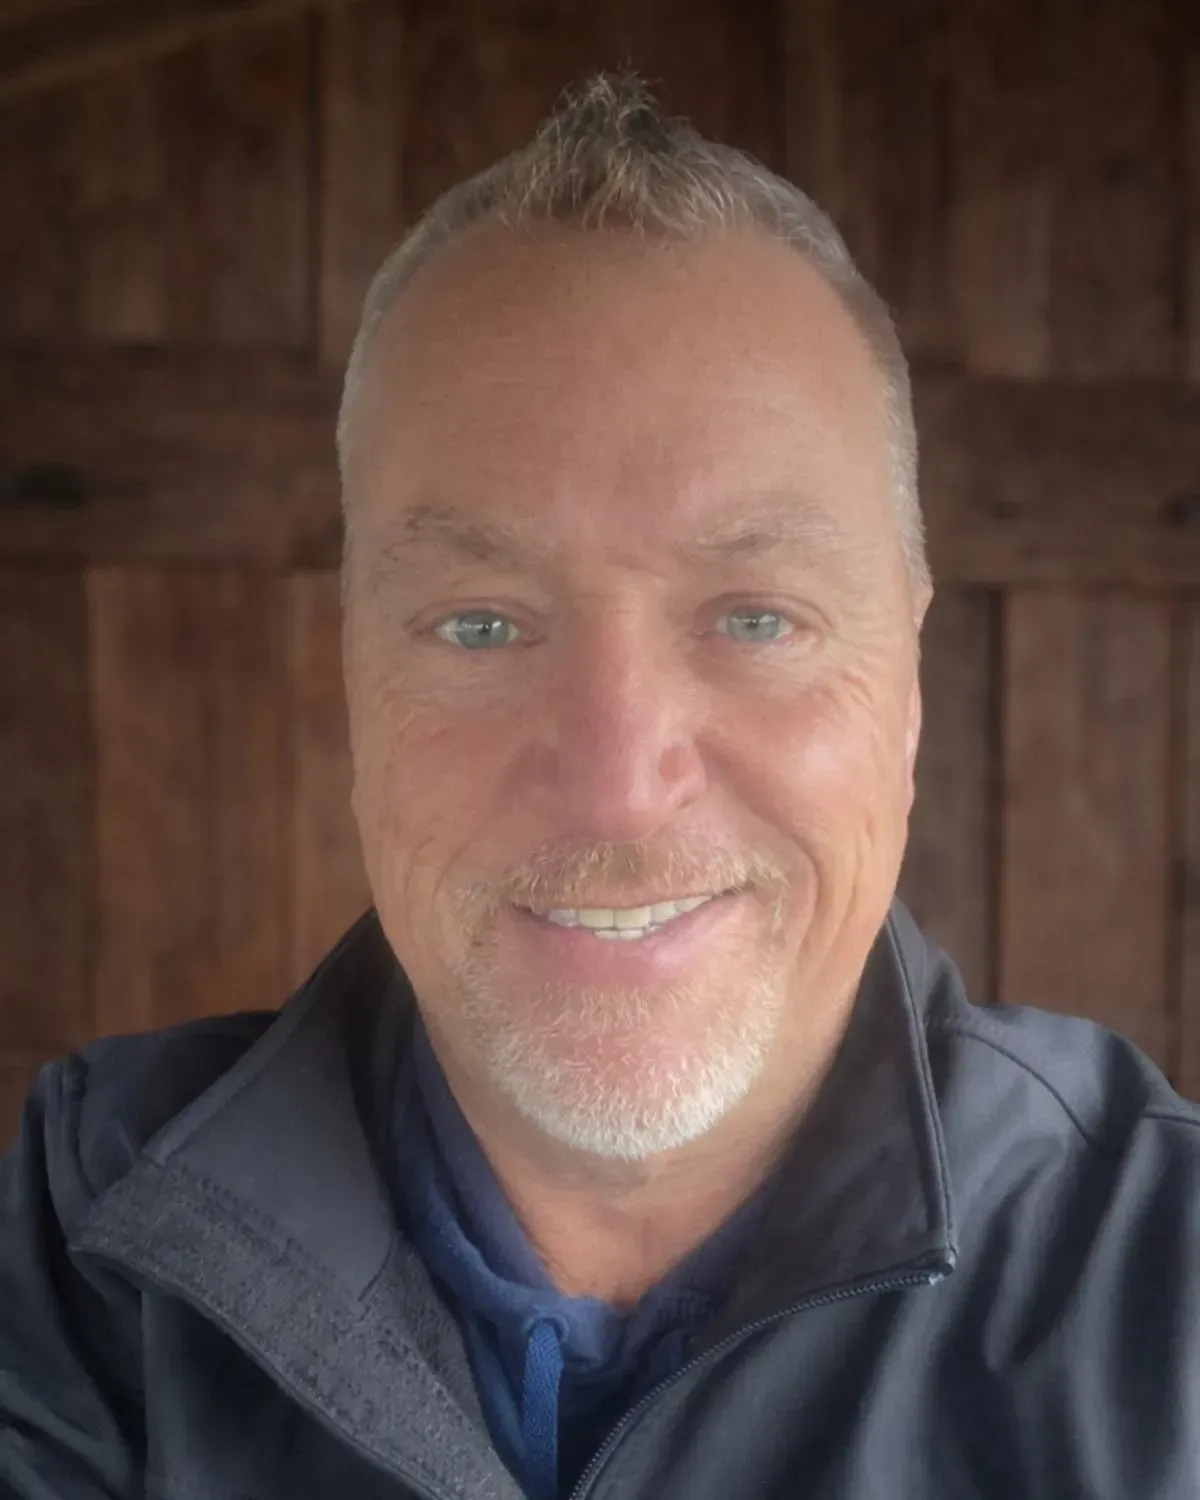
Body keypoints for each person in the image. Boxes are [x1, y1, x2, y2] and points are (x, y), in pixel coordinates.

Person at [2, 71, 1198, 1500]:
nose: (622, 789)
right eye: (481, 625)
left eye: (755, 617)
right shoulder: (91, 1236)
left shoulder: (1167, 1290)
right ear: (351, 675)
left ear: (910, 685)